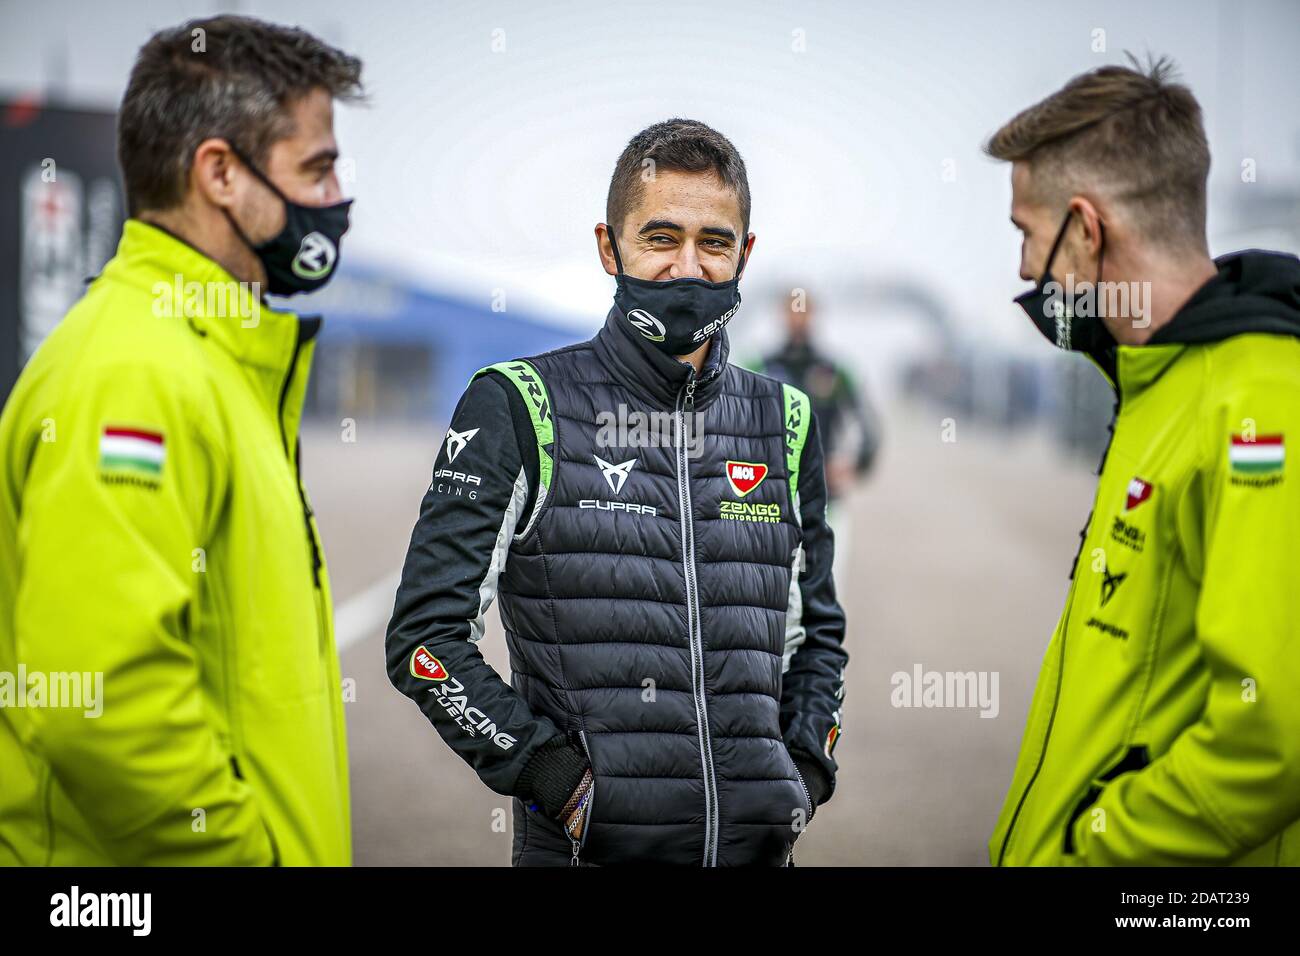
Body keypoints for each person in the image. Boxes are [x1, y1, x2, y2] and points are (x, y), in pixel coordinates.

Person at [386, 118, 848, 866]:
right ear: (609, 246)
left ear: (746, 254)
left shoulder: (786, 418)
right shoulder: (518, 403)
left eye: (715, 242)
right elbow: (425, 642)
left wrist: (802, 775)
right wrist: (560, 786)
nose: (689, 268)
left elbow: (817, 634)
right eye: (661, 238)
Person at [0, 15, 362, 865]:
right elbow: (100, 702)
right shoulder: (131, 372)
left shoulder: (210, 359)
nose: (338, 196)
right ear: (220, 174)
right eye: (317, 165)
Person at [986, 56, 1300, 866]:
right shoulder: (1154, 377)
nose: (1024, 268)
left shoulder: (1263, 402)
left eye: (1028, 231)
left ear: (1086, 228)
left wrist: (1093, 849)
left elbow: (1274, 737)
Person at [756, 293, 881, 501]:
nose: (797, 318)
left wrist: (856, 464)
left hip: (823, 496)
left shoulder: (837, 371)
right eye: (791, 310)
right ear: (781, 314)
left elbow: (868, 424)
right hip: (769, 495)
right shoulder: (759, 368)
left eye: (804, 311)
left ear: (814, 315)